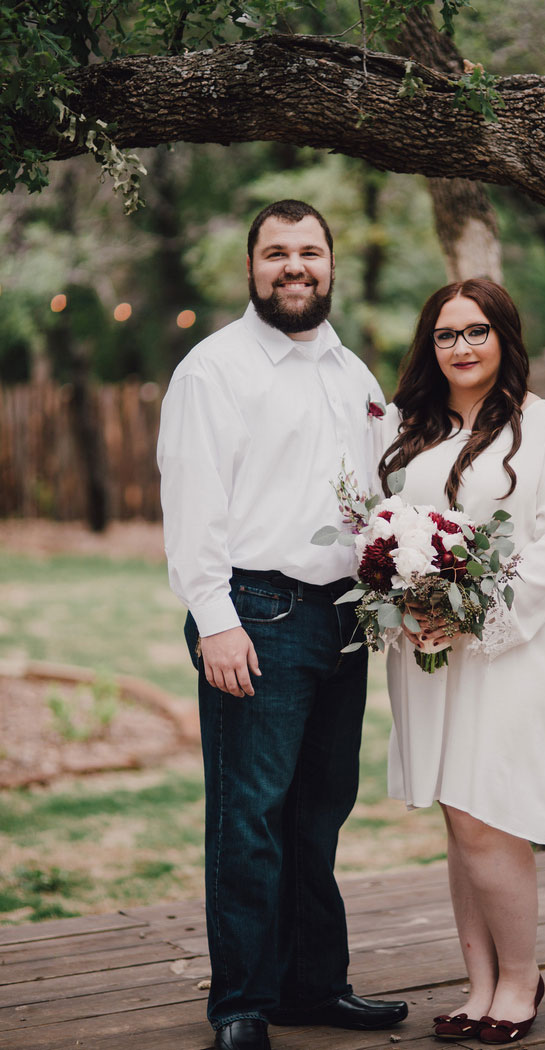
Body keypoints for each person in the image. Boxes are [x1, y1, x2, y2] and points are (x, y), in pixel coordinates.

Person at [157, 199, 408, 1050]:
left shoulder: (353, 374)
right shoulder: (214, 369)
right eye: (275, 253)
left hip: (343, 617)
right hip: (256, 614)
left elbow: (382, 495)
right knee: (249, 815)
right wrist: (216, 620)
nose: (293, 267)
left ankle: (313, 986)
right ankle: (241, 1004)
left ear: (330, 263)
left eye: (308, 252)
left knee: (319, 812)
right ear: (252, 267)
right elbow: (192, 506)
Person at [377, 278, 545, 1044]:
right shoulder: (415, 431)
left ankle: (521, 979)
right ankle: (477, 984)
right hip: (429, 652)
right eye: (446, 335)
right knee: (456, 814)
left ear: (504, 336)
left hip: (508, 653)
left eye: (475, 332)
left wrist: (473, 623)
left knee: (487, 815)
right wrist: (410, 606)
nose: (461, 347)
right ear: (429, 348)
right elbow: (387, 533)